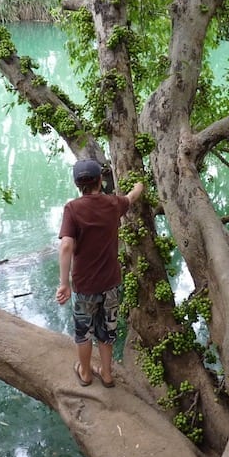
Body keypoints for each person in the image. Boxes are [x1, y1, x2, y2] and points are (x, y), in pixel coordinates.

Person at [55, 159, 144, 387]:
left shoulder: (72, 209)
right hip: (111, 283)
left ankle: (85, 373)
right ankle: (106, 373)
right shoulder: (113, 203)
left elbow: (66, 246)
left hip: (84, 286)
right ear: (101, 180)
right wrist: (138, 187)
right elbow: (132, 198)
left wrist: (64, 283)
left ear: (77, 184)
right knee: (107, 330)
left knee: (83, 332)